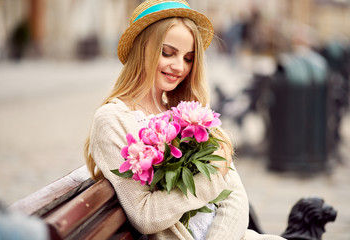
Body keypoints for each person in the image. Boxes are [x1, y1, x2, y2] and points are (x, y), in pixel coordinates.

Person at [84, 0, 285, 239]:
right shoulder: (113, 120)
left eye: (189, 58)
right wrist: (211, 179)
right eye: (167, 53)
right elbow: (146, 216)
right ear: (142, 49)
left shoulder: (186, 112)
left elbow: (236, 197)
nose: (179, 66)